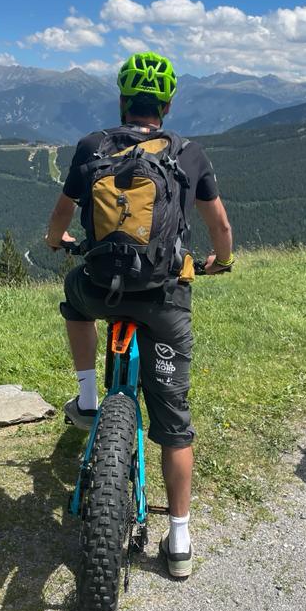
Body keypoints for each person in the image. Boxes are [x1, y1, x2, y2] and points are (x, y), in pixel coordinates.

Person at [44, 52, 234, 578]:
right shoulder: (189, 153)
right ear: (167, 106)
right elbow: (219, 224)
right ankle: (179, 542)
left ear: (122, 101)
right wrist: (224, 259)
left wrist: (59, 239)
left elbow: (60, 218)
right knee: (175, 425)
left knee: (71, 294)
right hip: (164, 300)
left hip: (100, 289)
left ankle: (87, 397)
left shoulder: (91, 146)